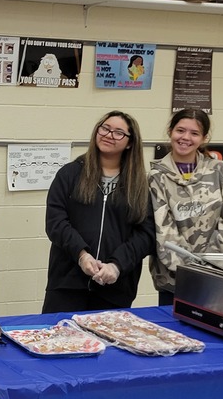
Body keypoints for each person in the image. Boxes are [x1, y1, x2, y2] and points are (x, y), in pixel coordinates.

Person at [43, 110, 154, 313]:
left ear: (130, 142)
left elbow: (145, 234)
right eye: (105, 128)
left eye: (119, 132)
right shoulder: (70, 174)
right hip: (67, 284)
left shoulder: (138, 185)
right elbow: (55, 222)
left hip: (115, 287)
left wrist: (117, 265)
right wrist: (82, 255)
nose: (109, 135)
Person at [149, 109, 223, 305]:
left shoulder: (221, 171)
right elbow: (163, 228)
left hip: (213, 275)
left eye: (194, 133)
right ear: (170, 131)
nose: (185, 138)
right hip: (172, 278)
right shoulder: (156, 176)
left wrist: (209, 264)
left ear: (204, 138)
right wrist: (188, 268)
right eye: (180, 130)